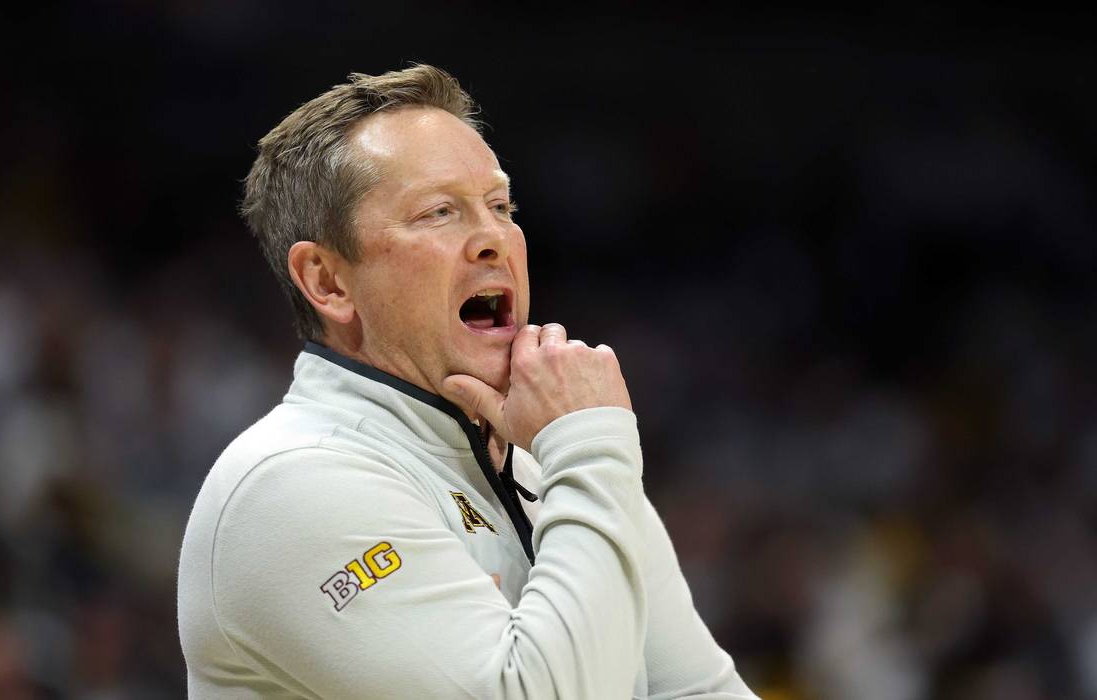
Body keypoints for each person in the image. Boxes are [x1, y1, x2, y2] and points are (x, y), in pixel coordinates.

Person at [177, 64, 758, 699]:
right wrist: (591, 448)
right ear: (328, 282)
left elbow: (700, 692)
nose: (493, 239)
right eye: (439, 212)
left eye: (502, 206)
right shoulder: (290, 484)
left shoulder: (551, 464)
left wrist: (581, 455)